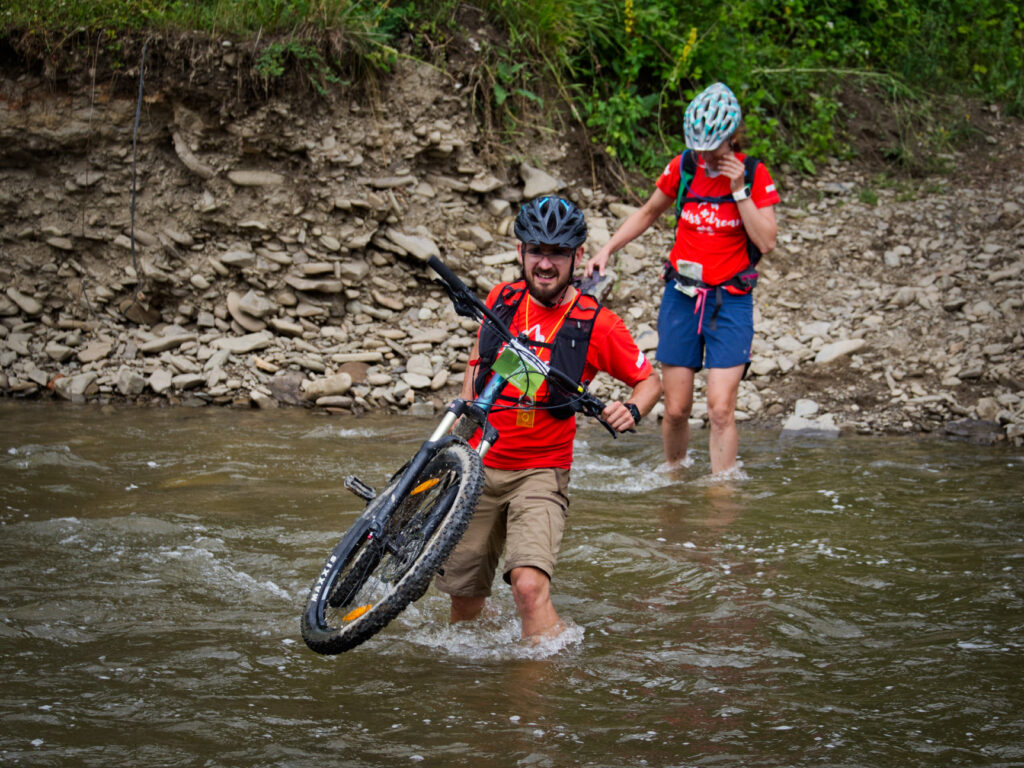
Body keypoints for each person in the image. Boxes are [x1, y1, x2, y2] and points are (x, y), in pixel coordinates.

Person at [435, 195, 662, 642]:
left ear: (578, 256)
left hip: (540, 471)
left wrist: (632, 408)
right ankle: (473, 680)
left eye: (558, 252)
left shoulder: (598, 324)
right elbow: (478, 360)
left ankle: (548, 676)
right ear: (520, 251)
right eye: (536, 250)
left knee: (528, 587)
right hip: (478, 463)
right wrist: (462, 425)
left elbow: (650, 381)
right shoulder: (501, 299)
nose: (545, 263)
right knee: (464, 599)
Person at [585, 82, 779, 474]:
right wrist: (608, 249)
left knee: (720, 409)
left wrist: (739, 190)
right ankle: (674, 479)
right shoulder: (683, 167)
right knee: (675, 409)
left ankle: (722, 490)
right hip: (682, 297)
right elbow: (648, 212)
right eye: (698, 148)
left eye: (713, 148)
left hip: (730, 301)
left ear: (732, 136)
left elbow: (767, 242)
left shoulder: (754, 173)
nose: (705, 157)